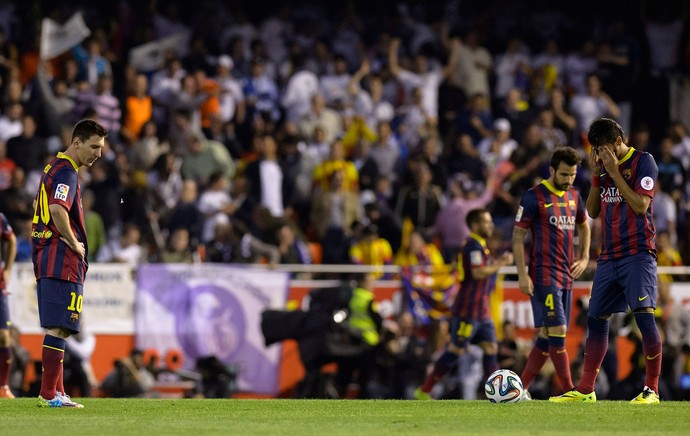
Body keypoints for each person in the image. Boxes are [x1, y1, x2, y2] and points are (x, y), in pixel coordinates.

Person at [550, 117, 661, 404]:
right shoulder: (603, 169)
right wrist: (599, 176)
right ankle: (586, 390)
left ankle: (652, 390)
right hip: (609, 255)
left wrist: (615, 171)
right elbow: (592, 212)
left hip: (638, 253)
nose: (598, 155)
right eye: (595, 151)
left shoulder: (643, 162)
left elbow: (640, 206)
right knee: (596, 317)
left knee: (644, 316)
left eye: (600, 149)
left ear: (616, 142)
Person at [32, 119, 107, 408]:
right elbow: (56, 209)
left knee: (61, 326)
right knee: (59, 327)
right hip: (60, 257)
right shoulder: (67, 172)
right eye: (94, 147)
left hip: (50, 255)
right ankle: (49, 394)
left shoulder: (55, 166)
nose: (98, 154)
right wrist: (75, 243)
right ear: (77, 142)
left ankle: (57, 392)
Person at [512, 147, 591, 399]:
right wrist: (522, 274)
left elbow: (584, 226)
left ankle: (520, 388)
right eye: (565, 174)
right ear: (552, 170)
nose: (569, 180)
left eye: (573, 175)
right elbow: (517, 236)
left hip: (566, 275)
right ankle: (568, 390)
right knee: (558, 330)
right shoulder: (534, 196)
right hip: (543, 275)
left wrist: (585, 256)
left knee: (548, 334)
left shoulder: (575, 196)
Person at [414, 208, 514, 399]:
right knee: (455, 350)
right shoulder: (472, 247)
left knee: (491, 348)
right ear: (475, 225)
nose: (491, 225)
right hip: (468, 310)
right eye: (486, 221)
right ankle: (424, 390)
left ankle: (500, 394)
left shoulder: (480, 247)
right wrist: (501, 262)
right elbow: (477, 273)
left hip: (482, 310)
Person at [0, 212, 17, 398]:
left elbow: (11, 239)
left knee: (4, 336)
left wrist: (9, 269)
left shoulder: (1, 218)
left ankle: (3, 387)